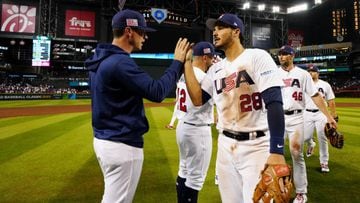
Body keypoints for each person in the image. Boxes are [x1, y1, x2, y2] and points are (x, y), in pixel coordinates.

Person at [85, 9, 191, 203]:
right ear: (129, 31)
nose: (146, 36)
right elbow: (157, 92)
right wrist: (176, 63)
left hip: (104, 140)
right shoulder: (120, 62)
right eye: (142, 31)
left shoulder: (100, 59)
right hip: (121, 145)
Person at [184, 13, 287, 203]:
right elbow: (198, 99)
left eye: (221, 28)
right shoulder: (215, 69)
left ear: (236, 32)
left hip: (256, 145)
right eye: (214, 29)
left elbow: (274, 102)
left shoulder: (256, 56)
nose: (215, 32)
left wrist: (277, 150)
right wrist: (186, 63)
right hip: (225, 146)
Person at [277, 45, 337, 203]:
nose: (281, 57)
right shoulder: (274, 73)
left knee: (296, 153)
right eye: (280, 54)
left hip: (297, 117)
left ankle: (301, 192)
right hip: (277, 118)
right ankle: (276, 190)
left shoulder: (303, 75)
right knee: (275, 154)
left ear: (292, 56)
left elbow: (316, 96)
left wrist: (329, 117)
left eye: (285, 54)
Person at [175, 41, 216, 203]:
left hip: (183, 127)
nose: (213, 60)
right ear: (205, 57)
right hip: (197, 131)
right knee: (195, 180)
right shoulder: (204, 78)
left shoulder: (185, 74)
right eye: (211, 57)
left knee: (184, 170)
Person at [303, 65, 337, 173]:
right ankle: (311, 143)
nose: (310, 73)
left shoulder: (325, 85)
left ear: (318, 73)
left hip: (321, 114)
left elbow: (331, 100)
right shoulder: (303, 84)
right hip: (306, 113)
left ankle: (324, 162)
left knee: (322, 138)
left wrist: (333, 115)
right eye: (309, 71)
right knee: (305, 137)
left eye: (313, 71)